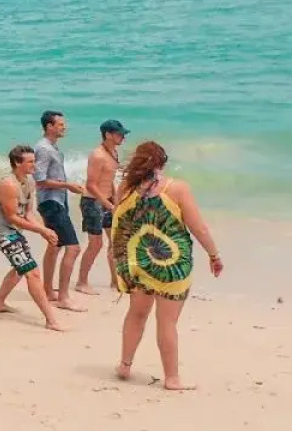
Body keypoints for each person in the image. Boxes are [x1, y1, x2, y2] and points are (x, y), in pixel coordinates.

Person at [113, 141, 224, 391]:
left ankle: (125, 365)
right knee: (167, 322)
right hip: (171, 264)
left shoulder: (127, 188)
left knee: (136, 313)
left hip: (139, 261)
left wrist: (118, 257)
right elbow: (199, 228)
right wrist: (214, 255)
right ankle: (172, 379)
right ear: (161, 163)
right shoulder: (177, 188)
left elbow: (120, 221)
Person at [0, 145, 64, 330]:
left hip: (14, 231)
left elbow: (28, 213)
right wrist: (41, 232)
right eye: (30, 162)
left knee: (19, 268)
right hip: (1, 233)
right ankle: (51, 320)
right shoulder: (8, 184)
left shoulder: (29, 181)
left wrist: (44, 230)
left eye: (34, 161)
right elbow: (12, 217)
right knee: (32, 272)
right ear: (17, 163)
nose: (34, 165)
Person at [35, 110, 88, 311]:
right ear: (49, 126)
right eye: (60, 124)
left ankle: (48, 290)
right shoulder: (44, 149)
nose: (64, 127)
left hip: (55, 201)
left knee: (55, 245)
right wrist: (68, 186)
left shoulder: (52, 148)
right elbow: (39, 181)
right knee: (73, 247)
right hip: (51, 202)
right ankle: (63, 297)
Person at [77, 119, 128, 293]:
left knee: (115, 241)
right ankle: (81, 282)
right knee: (96, 244)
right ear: (107, 134)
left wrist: (114, 199)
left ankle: (115, 282)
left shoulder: (113, 152)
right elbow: (91, 184)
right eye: (119, 134)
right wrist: (107, 204)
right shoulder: (97, 155)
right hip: (92, 202)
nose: (123, 137)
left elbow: (109, 179)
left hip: (107, 202)